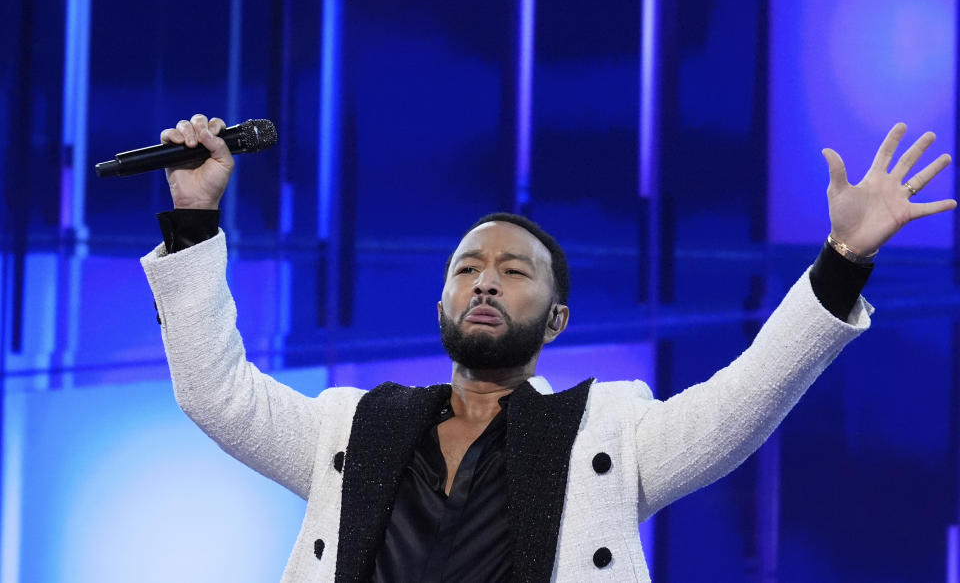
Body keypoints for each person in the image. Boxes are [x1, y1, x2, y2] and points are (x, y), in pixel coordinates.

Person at [141, 113, 955, 582]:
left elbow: (748, 395)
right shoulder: (352, 428)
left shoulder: (609, 433)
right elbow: (217, 392)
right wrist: (194, 216)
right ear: (442, 305)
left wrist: (844, 260)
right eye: (468, 268)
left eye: (513, 270)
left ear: (557, 320)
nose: (486, 283)